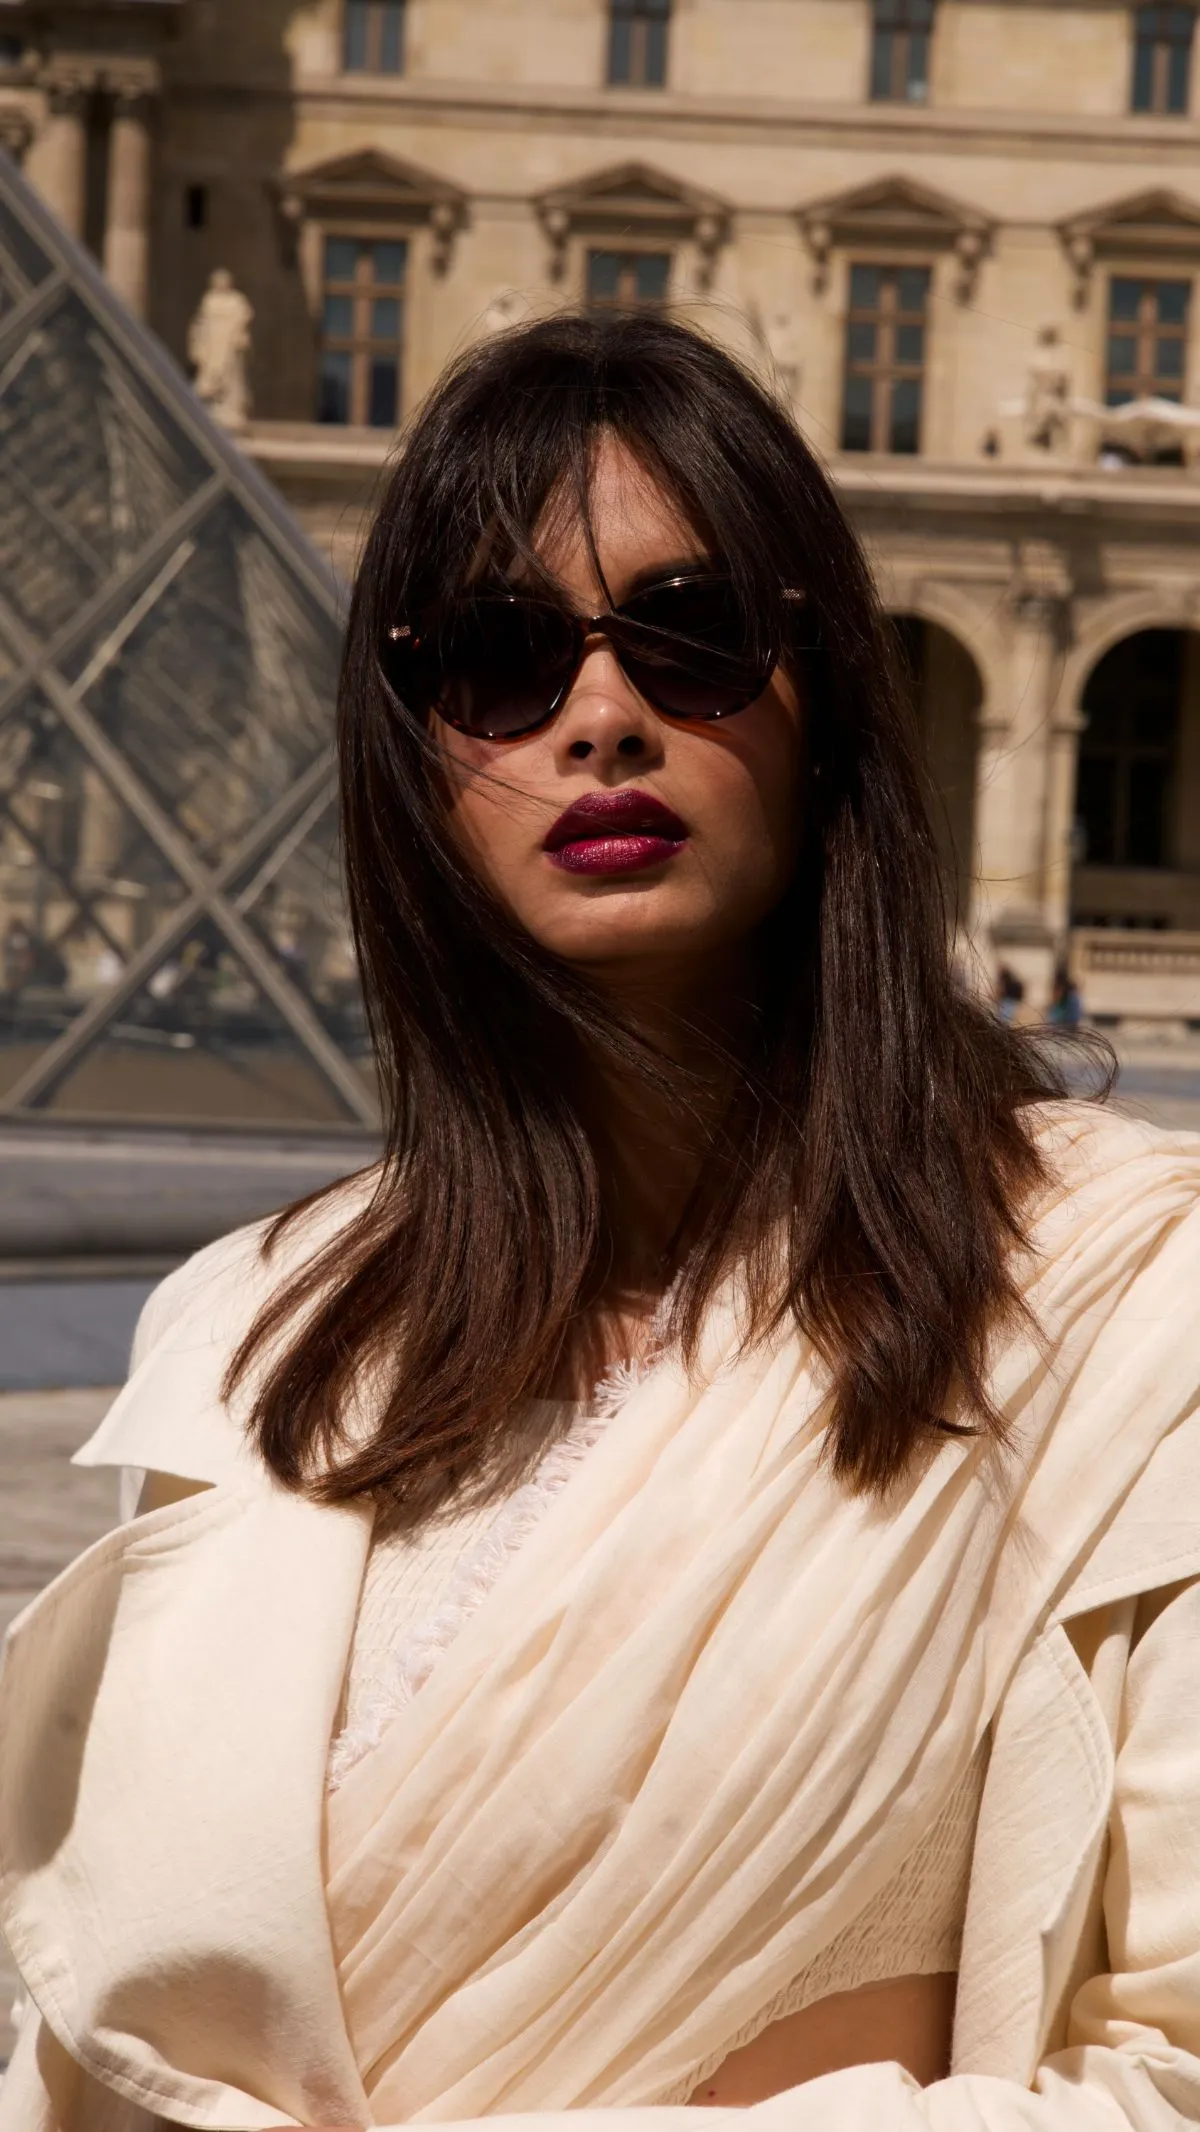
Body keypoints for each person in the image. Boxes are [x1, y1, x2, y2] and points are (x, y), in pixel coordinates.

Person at [2, 313, 1200, 2132]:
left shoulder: (1128, 1299)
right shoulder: (247, 1324)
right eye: (497, 659)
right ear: (411, 753)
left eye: (693, 633)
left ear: (825, 705)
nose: (602, 714)